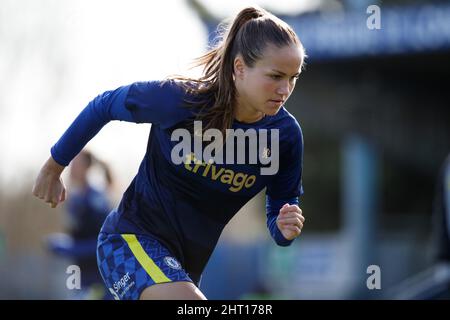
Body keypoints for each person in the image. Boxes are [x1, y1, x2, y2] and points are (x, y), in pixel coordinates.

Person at [32, 6, 306, 300]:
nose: (284, 88)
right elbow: (105, 105)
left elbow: (280, 209)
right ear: (239, 67)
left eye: (293, 77)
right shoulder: (180, 100)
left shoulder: (285, 136)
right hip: (127, 243)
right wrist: (53, 166)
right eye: (275, 75)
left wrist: (283, 226)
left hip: (184, 268)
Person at [46, 150, 114, 299]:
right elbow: (78, 236)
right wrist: (63, 243)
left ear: (86, 168)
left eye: (76, 164)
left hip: (99, 278)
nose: (71, 168)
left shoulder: (96, 199)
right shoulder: (74, 199)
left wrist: (71, 249)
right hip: (79, 276)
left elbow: (104, 242)